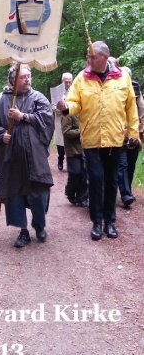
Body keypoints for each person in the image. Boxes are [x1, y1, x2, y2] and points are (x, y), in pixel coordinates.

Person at [57, 41, 139, 241]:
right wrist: (66, 106)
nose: (89, 59)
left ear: (104, 57)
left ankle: (110, 222)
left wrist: (134, 133)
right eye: (88, 56)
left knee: (111, 181)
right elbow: (75, 101)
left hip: (114, 139)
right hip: (92, 139)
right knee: (95, 179)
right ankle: (96, 222)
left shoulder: (122, 78)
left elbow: (131, 107)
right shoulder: (82, 78)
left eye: (92, 56)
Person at [0, 65, 54, 247]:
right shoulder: (2, 101)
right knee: (15, 193)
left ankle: (39, 225)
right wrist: (1, 135)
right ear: (12, 81)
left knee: (39, 192)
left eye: (28, 76)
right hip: (12, 157)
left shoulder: (38, 98)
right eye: (22, 77)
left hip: (34, 156)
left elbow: (47, 120)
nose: (27, 79)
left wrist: (23, 116)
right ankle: (23, 231)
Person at [117, 66, 144, 207]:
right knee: (122, 165)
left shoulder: (137, 91)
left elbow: (141, 113)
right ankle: (126, 194)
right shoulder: (115, 90)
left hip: (133, 135)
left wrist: (139, 129)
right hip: (119, 135)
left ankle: (126, 190)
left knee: (131, 166)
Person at [61, 113, 88, 208]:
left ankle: (82, 198)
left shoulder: (87, 110)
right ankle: (70, 192)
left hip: (86, 148)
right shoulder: (68, 113)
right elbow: (66, 132)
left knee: (85, 174)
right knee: (75, 173)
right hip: (73, 150)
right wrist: (81, 131)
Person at [52, 72, 73, 170]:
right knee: (60, 143)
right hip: (60, 119)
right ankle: (60, 160)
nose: (68, 84)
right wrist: (59, 109)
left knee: (70, 141)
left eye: (70, 82)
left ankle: (70, 162)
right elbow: (52, 106)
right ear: (62, 81)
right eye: (66, 82)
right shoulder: (56, 91)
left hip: (71, 119)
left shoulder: (74, 91)